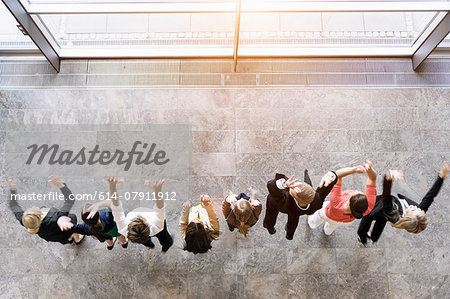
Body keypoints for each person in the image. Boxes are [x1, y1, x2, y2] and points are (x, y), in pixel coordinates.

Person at [357, 162, 449, 245]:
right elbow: (430, 196)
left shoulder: (392, 211)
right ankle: (373, 238)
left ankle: (363, 239)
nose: (415, 207)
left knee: (366, 221)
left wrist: (389, 178)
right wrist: (441, 176)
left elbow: (386, 196)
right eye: (417, 209)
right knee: (380, 223)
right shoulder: (418, 213)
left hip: (376, 207)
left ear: (406, 217)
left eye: (413, 209)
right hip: (384, 213)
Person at [85, 177, 173, 252]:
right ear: (145, 222)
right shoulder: (157, 225)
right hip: (157, 231)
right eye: (141, 218)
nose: (139, 214)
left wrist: (112, 186)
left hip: (142, 236)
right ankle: (166, 245)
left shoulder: (123, 229)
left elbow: (116, 204)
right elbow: (160, 207)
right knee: (165, 238)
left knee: (144, 241)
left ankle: (149, 244)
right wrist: (157, 191)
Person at [263, 169, 338, 240]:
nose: (294, 184)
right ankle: (289, 235)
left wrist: (285, 184)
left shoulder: (280, 201)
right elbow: (325, 188)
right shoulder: (316, 202)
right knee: (293, 222)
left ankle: (270, 227)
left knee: (271, 214)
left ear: (296, 199)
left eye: (294, 188)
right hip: (296, 213)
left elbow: (271, 185)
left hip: (278, 206)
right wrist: (332, 175)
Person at [7, 176, 84, 244]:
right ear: (40, 216)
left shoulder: (25, 221)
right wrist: (62, 186)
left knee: (64, 237)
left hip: (53, 236)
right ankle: (77, 238)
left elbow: (14, 205)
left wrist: (12, 190)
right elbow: (70, 200)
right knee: (71, 217)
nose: (33, 206)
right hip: (63, 231)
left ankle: (70, 239)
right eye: (34, 209)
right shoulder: (56, 217)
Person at [307, 161, 377, 235]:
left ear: (349, 201)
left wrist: (354, 169)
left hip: (326, 214)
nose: (355, 190)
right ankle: (327, 231)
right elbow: (372, 179)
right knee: (332, 226)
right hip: (345, 222)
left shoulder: (336, 203)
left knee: (316, 217)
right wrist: (370, 171)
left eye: (355, 193)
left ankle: (312, 223)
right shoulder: (368, 207)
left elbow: (337, 175)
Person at [58, 202, 128, 250]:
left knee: (108, 239)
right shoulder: (107, 216)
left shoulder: (86, 228)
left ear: (85, 221)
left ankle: (110, 245)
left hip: (103, 235)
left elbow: (74, 228)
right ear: (99, 214)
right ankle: (124, 243)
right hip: (115, 231)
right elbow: (112, 204)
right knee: (120, 236)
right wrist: (99, 204)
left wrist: (61, 222)